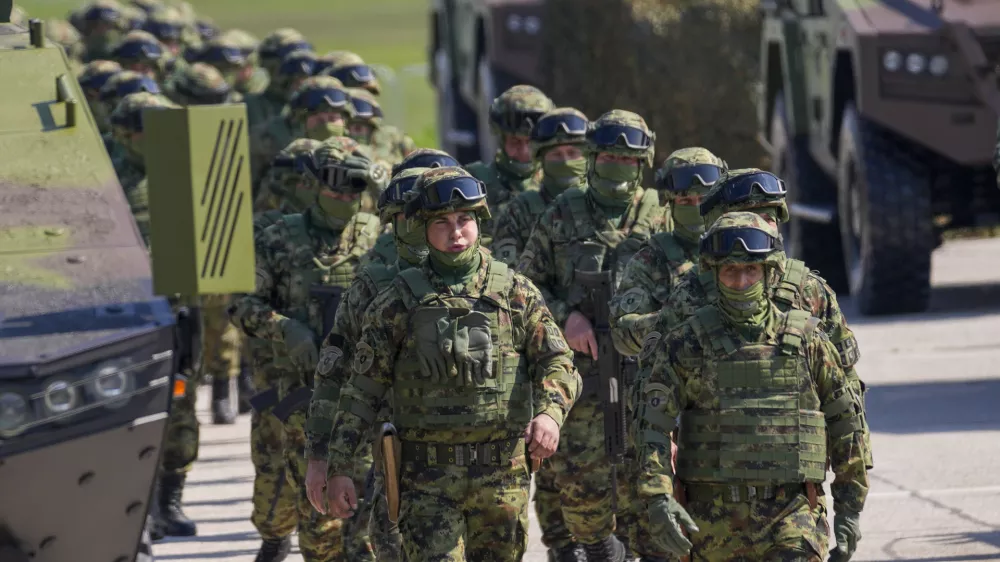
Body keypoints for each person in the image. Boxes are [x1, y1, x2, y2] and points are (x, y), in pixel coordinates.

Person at [323, 166, 581, 562]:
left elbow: (558, 360)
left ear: (479, 222)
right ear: (422, 228)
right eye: (442, 222)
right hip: (426, 481)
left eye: (465, 220)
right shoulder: (398, 301)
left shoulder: (515, 291)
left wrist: (549, 414)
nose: (456, 232)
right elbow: (362, 389)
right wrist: (339, 465)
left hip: (502, 478)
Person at [636, 211, 869, 562]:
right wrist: (658, 499)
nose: (742, 281)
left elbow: (847, 423)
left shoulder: (806, 340)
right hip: (710, 522)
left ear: (768, 272)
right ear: (715, 274)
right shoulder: (686, 344)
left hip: (793, 513)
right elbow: (652, 426)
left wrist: (850, 507)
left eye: (751, 270)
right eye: (731, 271)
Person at [517, 109, 669, 561]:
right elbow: (524, 286)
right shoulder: (562, 213)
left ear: (642, 162)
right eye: (607, 157)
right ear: (592, 158)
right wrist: (567, 317)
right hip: (580, 385)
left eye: (628, 159)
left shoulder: (660, 215)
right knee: (586, 509)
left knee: (653, 508)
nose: (617, 167)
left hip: (646, 383)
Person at [230, 139, 384, 562]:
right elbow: (241, 303)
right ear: (312, 186)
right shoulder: (278, 239)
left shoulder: (380, 238)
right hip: (300, 396)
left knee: (369, 509)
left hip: (367, 394)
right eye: (333, 191)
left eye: (352, 193)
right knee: (317, 516)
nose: (343, 201)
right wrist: (285, 328)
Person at [304, 166, 432, 562]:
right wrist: (321, 456)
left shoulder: (489, 281)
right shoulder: (374, 284)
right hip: (397, 453)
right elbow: (334, 373)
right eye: (410, 218)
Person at [609, 147, 727, 358]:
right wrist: (675, 320)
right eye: (686, 202)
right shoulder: (651, 260)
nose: (697, 208)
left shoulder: (742, 247)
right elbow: (622, 333)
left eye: (704, 200)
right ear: (669, 204)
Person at [491, 107, 589, 266]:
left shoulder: (604, 205)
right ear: (541, 160)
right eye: (556, 154)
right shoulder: (518, 212)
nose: (565, 162)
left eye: (572, 153)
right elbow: (507, 278)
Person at [465, 85, 553, 247]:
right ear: (501, 140)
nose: (524, 152)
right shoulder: (475, 182)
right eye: (515, 142)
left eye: (531, 142)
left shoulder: (558, 182)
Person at [250, 76, 355, 194]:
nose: (325, 122)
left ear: (345, 122)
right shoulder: (279, 150)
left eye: (333, 117)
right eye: (317, 117)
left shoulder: (358, 154)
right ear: (301, 122)